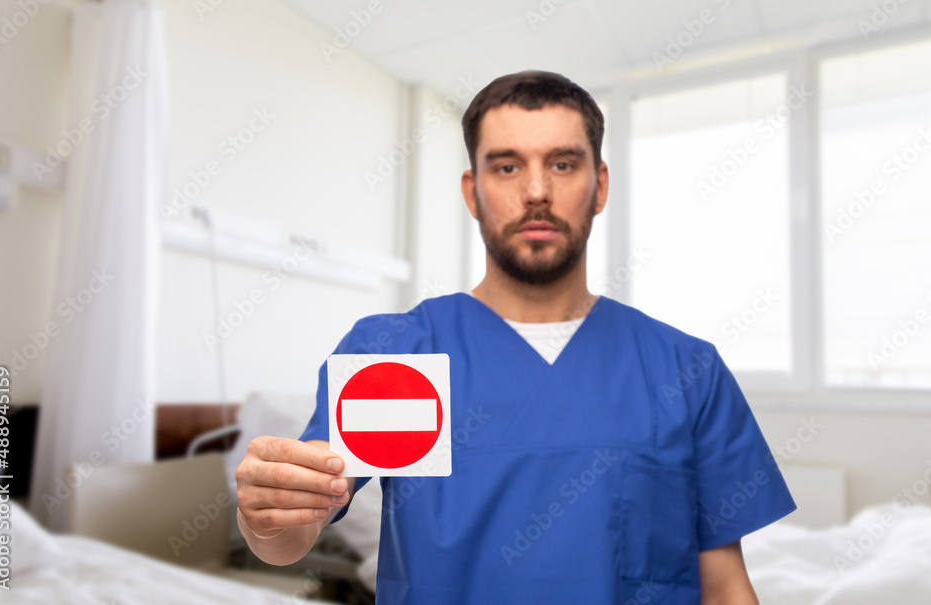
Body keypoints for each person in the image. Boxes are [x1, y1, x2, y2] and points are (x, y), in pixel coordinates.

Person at [235, 70, 796, 604]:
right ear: (472, 191)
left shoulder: (685, 370)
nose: (535, 191)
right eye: (506, 167)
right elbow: (294, 535)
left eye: (562, 163)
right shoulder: (394, 357)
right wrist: (267, 515)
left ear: (599, 185)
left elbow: (724, 589)